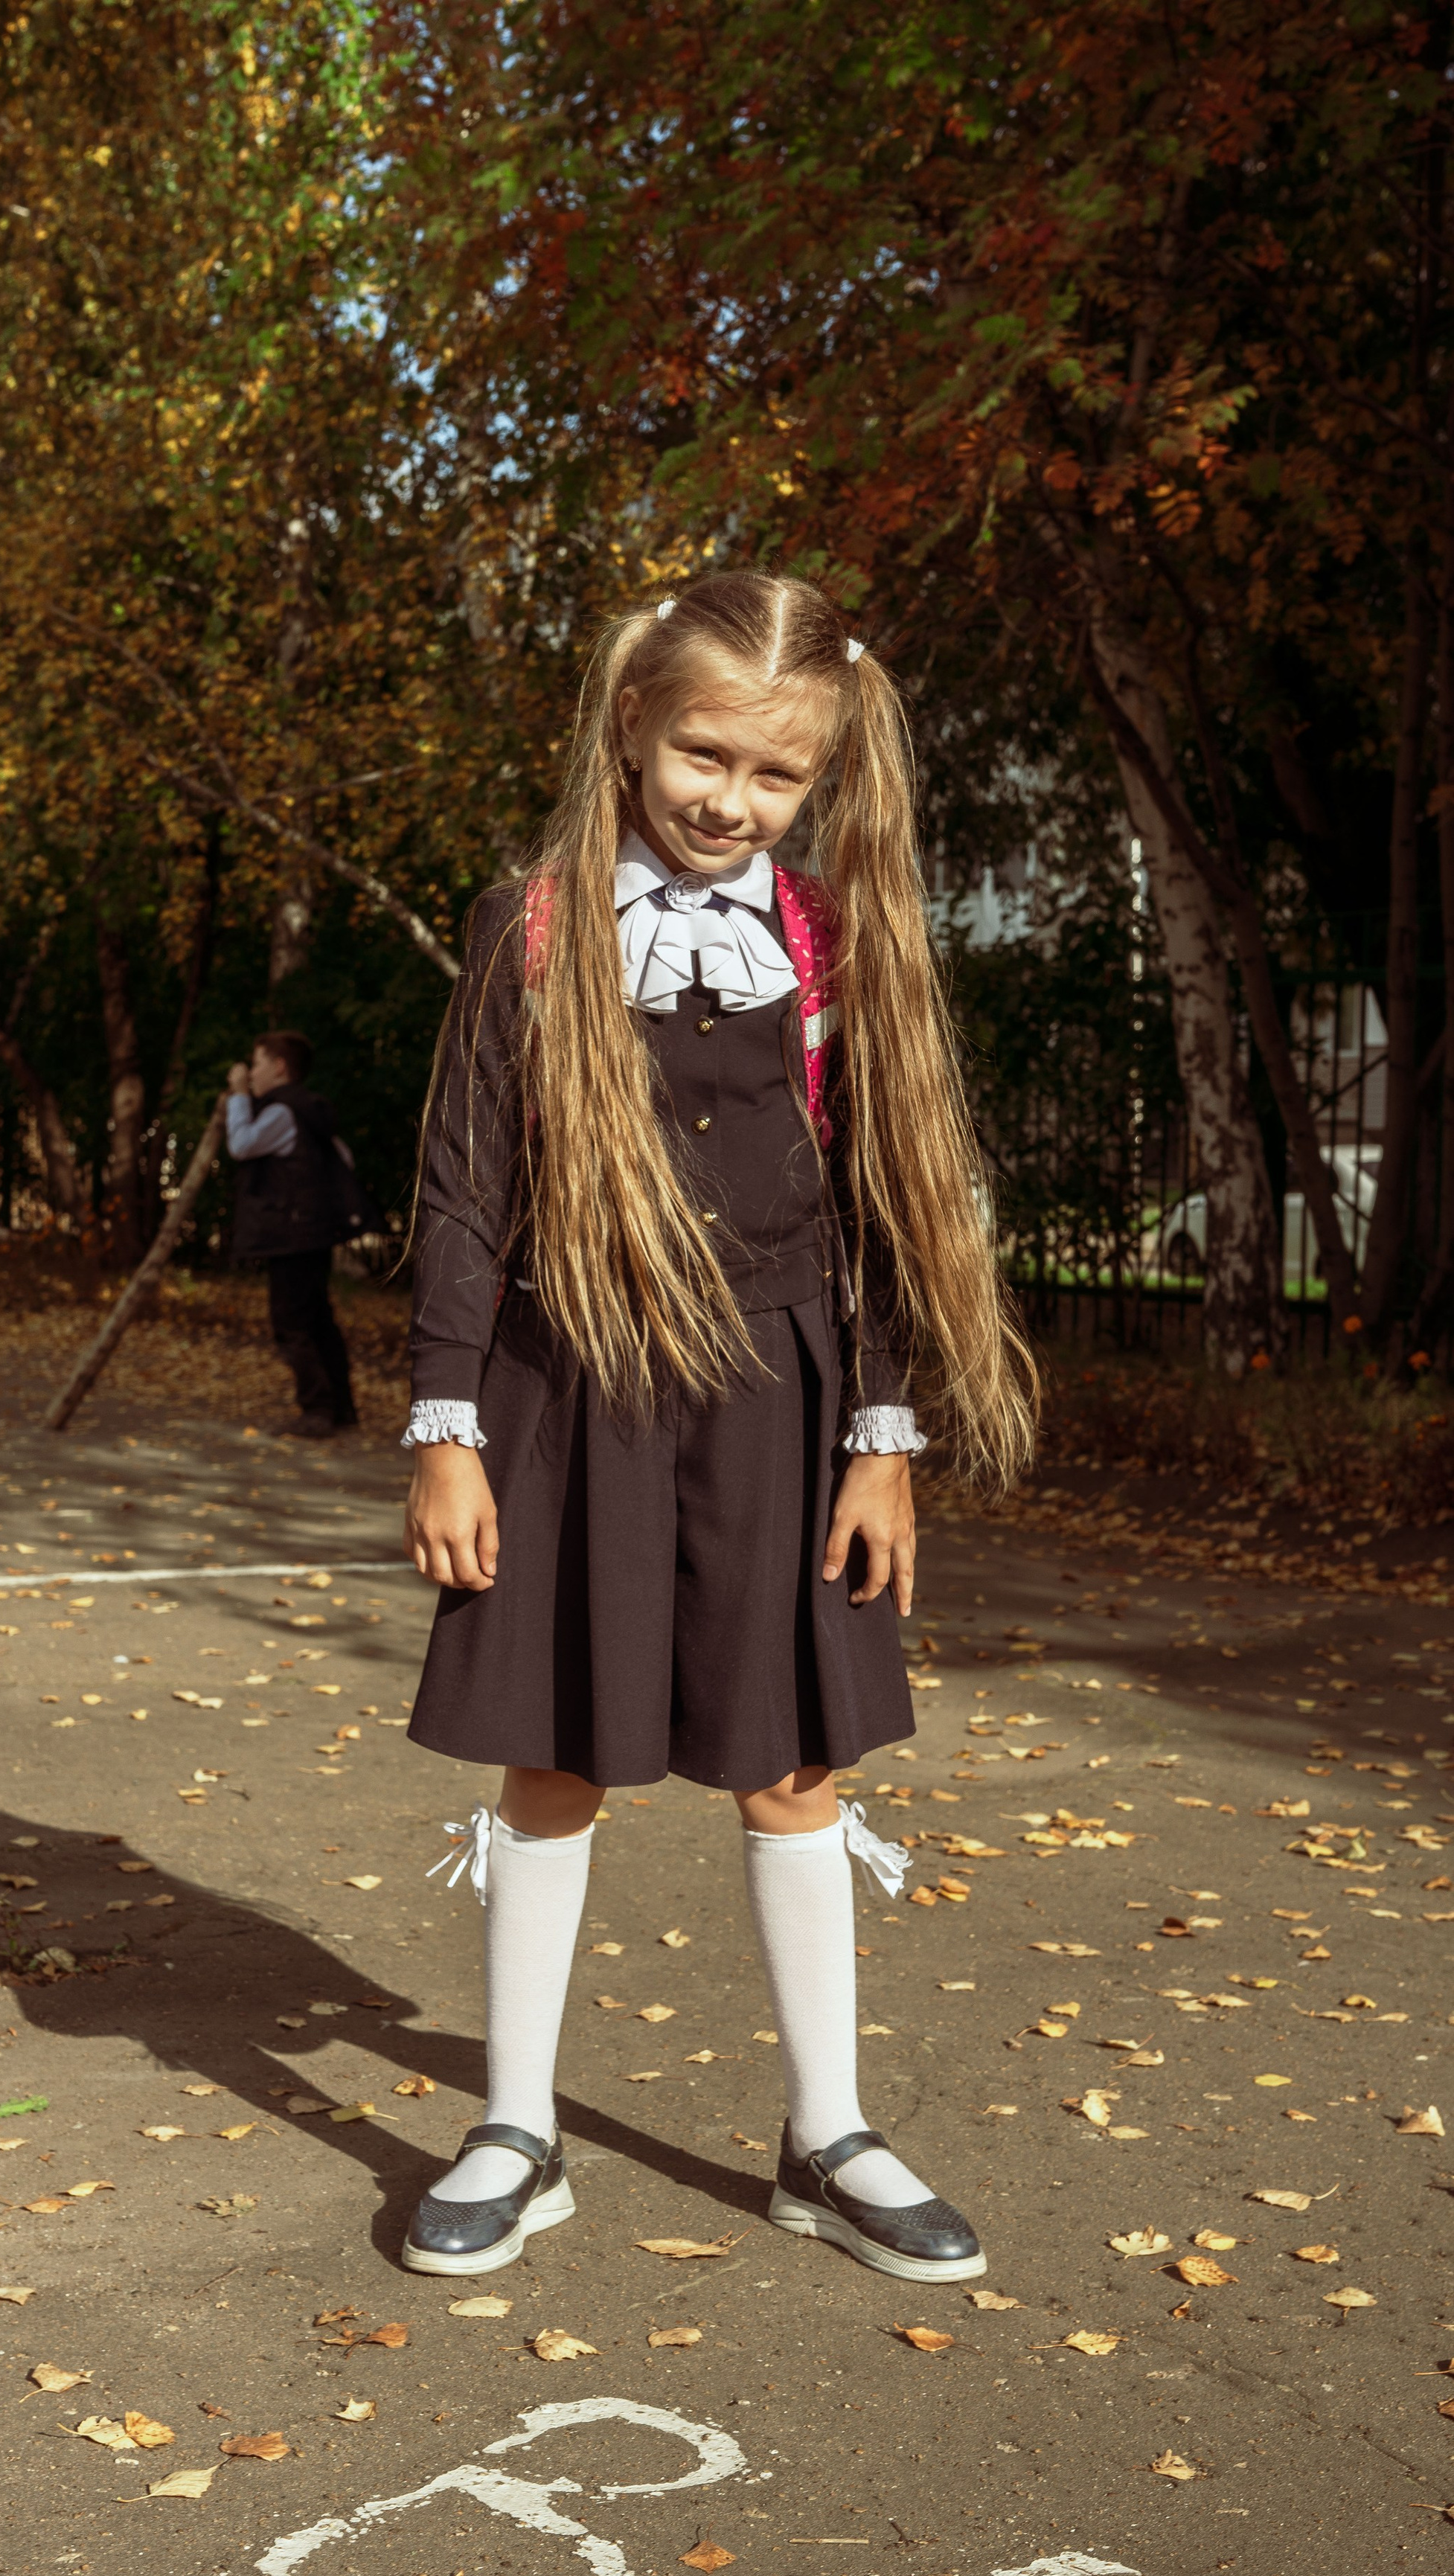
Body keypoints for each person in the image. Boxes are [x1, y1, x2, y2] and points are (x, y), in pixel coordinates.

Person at [397, 571, 1035, 2284]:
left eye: (770, 777)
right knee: (548, 1753)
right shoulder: (526, 926)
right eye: (701, 754)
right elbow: (463, 1192)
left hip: (783, 1392)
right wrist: (442, 1422)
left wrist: (883, 1436)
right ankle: (517, 2128)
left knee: (791, 1761)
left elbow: (887, 1198)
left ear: (814, 782)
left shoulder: (831, 940)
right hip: (567, 1379)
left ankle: (824, 2127)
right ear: (629, 724)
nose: (725, 799)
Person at [225, 1029, 373, 1440]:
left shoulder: (283, 1112)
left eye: (256, 1064)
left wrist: (238, 1097)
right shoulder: (310, 1112)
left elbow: (241, 1144)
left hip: (291, 1234)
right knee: (318, 1319)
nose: (251, 1074)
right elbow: (343, 1157)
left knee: (291, 1322)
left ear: (279, 1067)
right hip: (313, 1233)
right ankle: (341, 1408)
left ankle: (317, 1410)